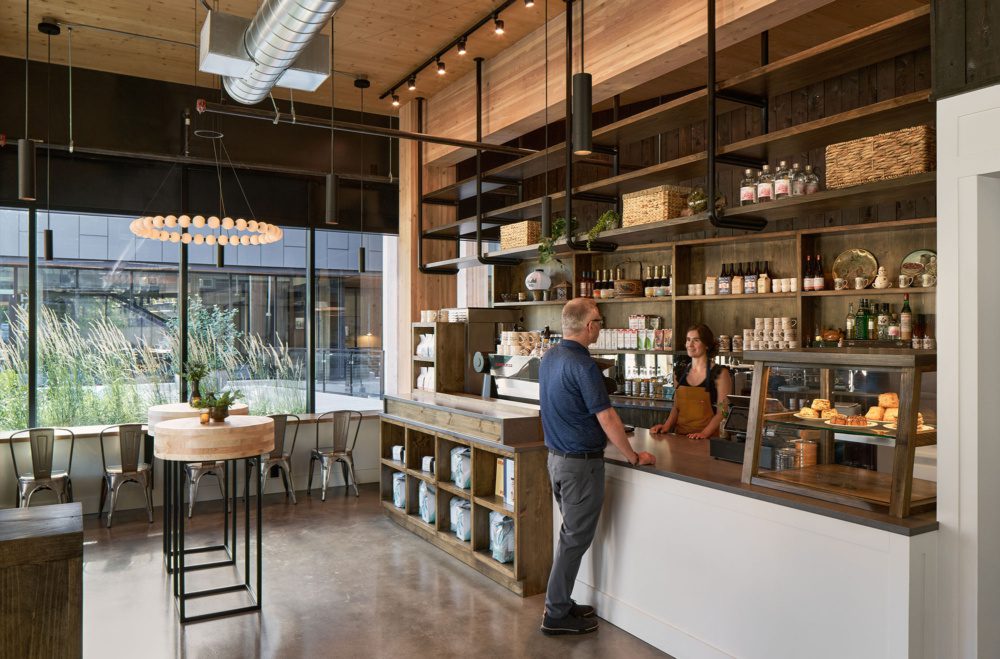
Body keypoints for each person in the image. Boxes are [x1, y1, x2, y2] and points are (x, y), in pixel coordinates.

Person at [538, 298, 656, 636]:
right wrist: (633, 456)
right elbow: (606, 416)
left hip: (557, 461)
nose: (600, 327)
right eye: (599, 321)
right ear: (589, 326)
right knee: (574, 541)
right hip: (580, 467)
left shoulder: (550, 357)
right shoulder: (583, 364)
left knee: (569, 537)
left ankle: (561, 601)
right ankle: (556, 612)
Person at [650, 324, 732, 439]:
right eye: (688, 340)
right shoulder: (679, 373)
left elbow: (723, 412)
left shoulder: (720, 373)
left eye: (696, 340)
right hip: (680, 438)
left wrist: (704, 434)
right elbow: (676, 407)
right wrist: (666, 426)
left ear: (707, 345)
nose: (690, 345)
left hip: (707, 441)